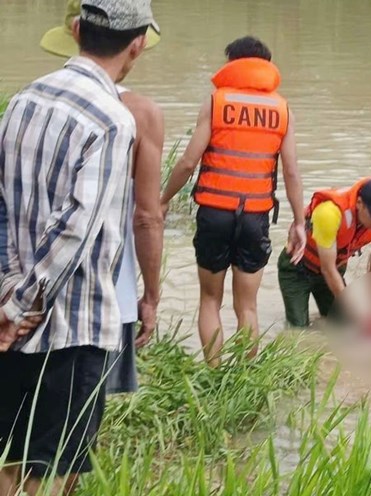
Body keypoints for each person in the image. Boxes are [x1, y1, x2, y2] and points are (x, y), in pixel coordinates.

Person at [0, 1, 156, 493]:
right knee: (53, 471)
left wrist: (8, 294)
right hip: (72, 327)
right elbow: (76, 227)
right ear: (136, 45)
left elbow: (1, 204)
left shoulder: (24, 99)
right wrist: (25, 303)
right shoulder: (113, 120)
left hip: (10, 320)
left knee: (9, 456)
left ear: (75, 30)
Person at [39, 0, 165, 394]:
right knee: (82, 418)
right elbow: (146, 217)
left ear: (75, 34)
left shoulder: (38, 100)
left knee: (25, 417)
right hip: (107, 294)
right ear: (137, 44)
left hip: (29, 287)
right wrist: (152, 296)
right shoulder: (141, 113)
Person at [160, 36, 306, 367]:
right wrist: (299, 222)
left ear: (231, 64)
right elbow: (292, 173)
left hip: (214, 214)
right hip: (255, 216)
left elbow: (187, 162)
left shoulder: (217, 102)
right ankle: (244, 376)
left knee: (210, 300)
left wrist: (163, 200)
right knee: (248, 306)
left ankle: (213, 375)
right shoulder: (282, 110)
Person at [278, 178, 371, 328]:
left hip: (334, 269)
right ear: (360, 204)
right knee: (298, 329)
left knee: (343, 325)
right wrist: (353, 310)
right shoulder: (330, 213)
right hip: (297, 269)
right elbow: (328, 269)